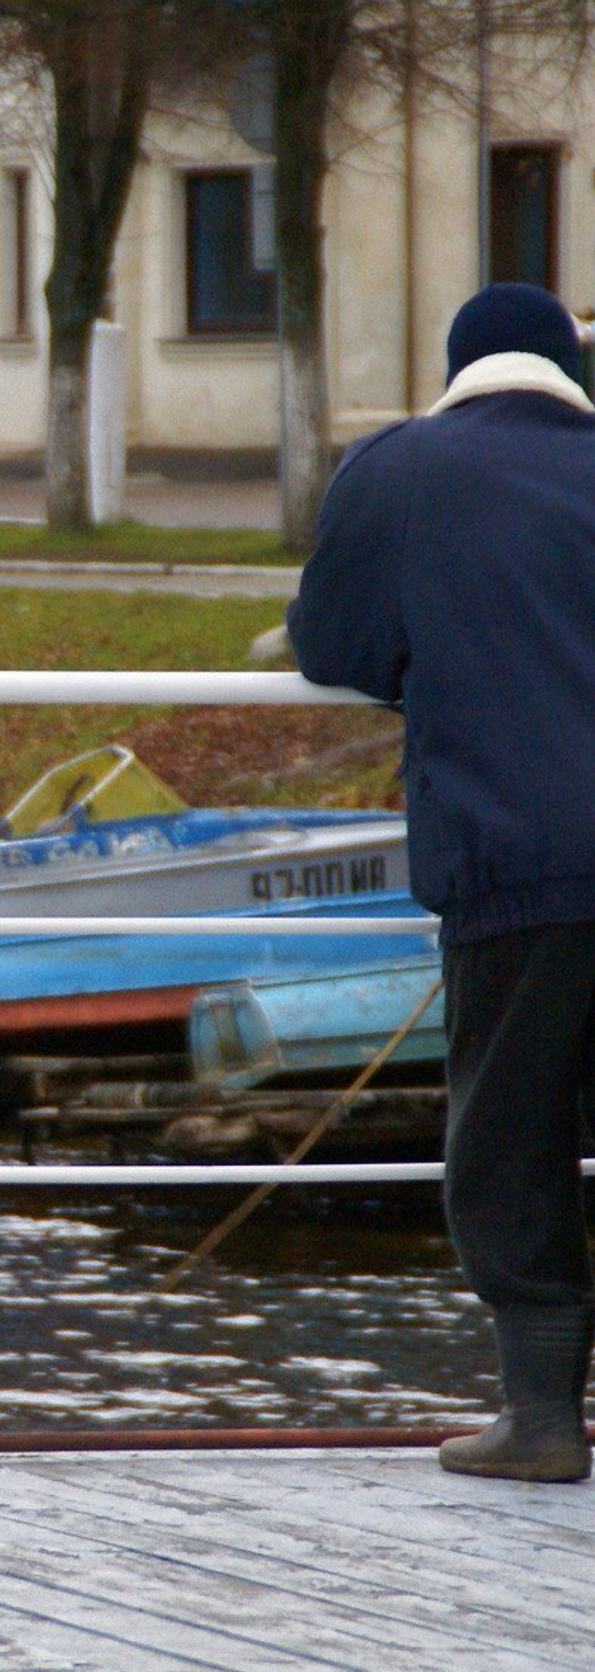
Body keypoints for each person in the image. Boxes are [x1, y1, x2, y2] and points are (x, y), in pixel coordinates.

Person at [288, 282, 595, 1483]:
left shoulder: (403, 468)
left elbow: (336, 644)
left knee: (509, 1133)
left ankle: (540, 1417)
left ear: (459, 366)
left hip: (517, 859)